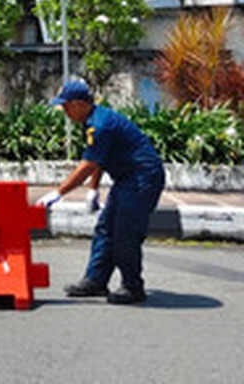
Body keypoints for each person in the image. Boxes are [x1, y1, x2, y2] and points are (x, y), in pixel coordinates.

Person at [36, 80, 165, 305]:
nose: (64, 111)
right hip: (127, 179)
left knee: (125, 232)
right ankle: (96, 280)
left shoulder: (101, 124)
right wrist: (93, 189)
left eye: (66, 106)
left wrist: (58, 193)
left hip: (142, 178)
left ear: (79, 104)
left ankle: (133, 287)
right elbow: (99, 159)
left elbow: (88, 165)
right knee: (105, 228)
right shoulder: (93, 121)